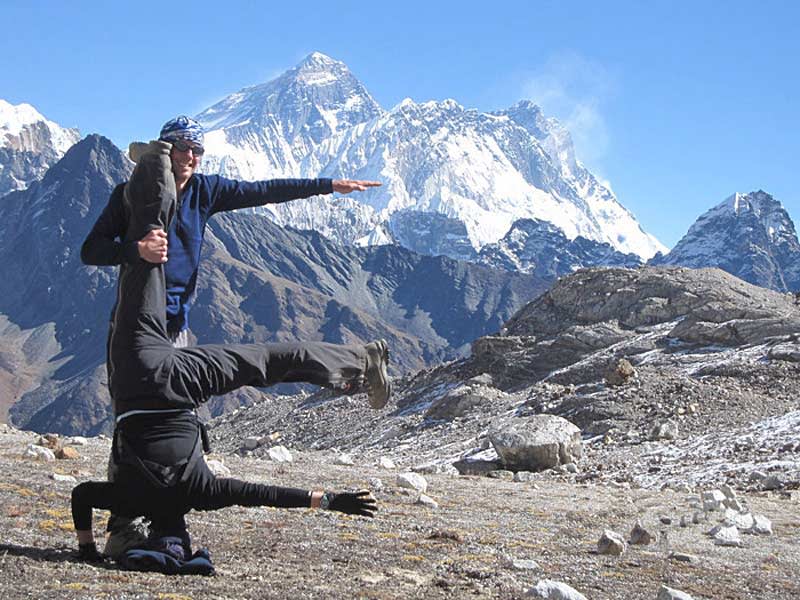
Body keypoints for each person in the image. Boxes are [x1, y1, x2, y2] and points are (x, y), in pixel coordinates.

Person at [81, 116, 383, 555]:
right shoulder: (128, 197)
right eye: (180, 148)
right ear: (163, 152)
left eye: (196, 151)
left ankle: (169, 498)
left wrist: (328, 185)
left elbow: (264, 190)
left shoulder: (206, 192)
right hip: (135, 327)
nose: (189, 157)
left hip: (176, 327)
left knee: (173, 416)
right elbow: (91, 251)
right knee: (130, 421)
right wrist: (134, 250)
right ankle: (123, 526)